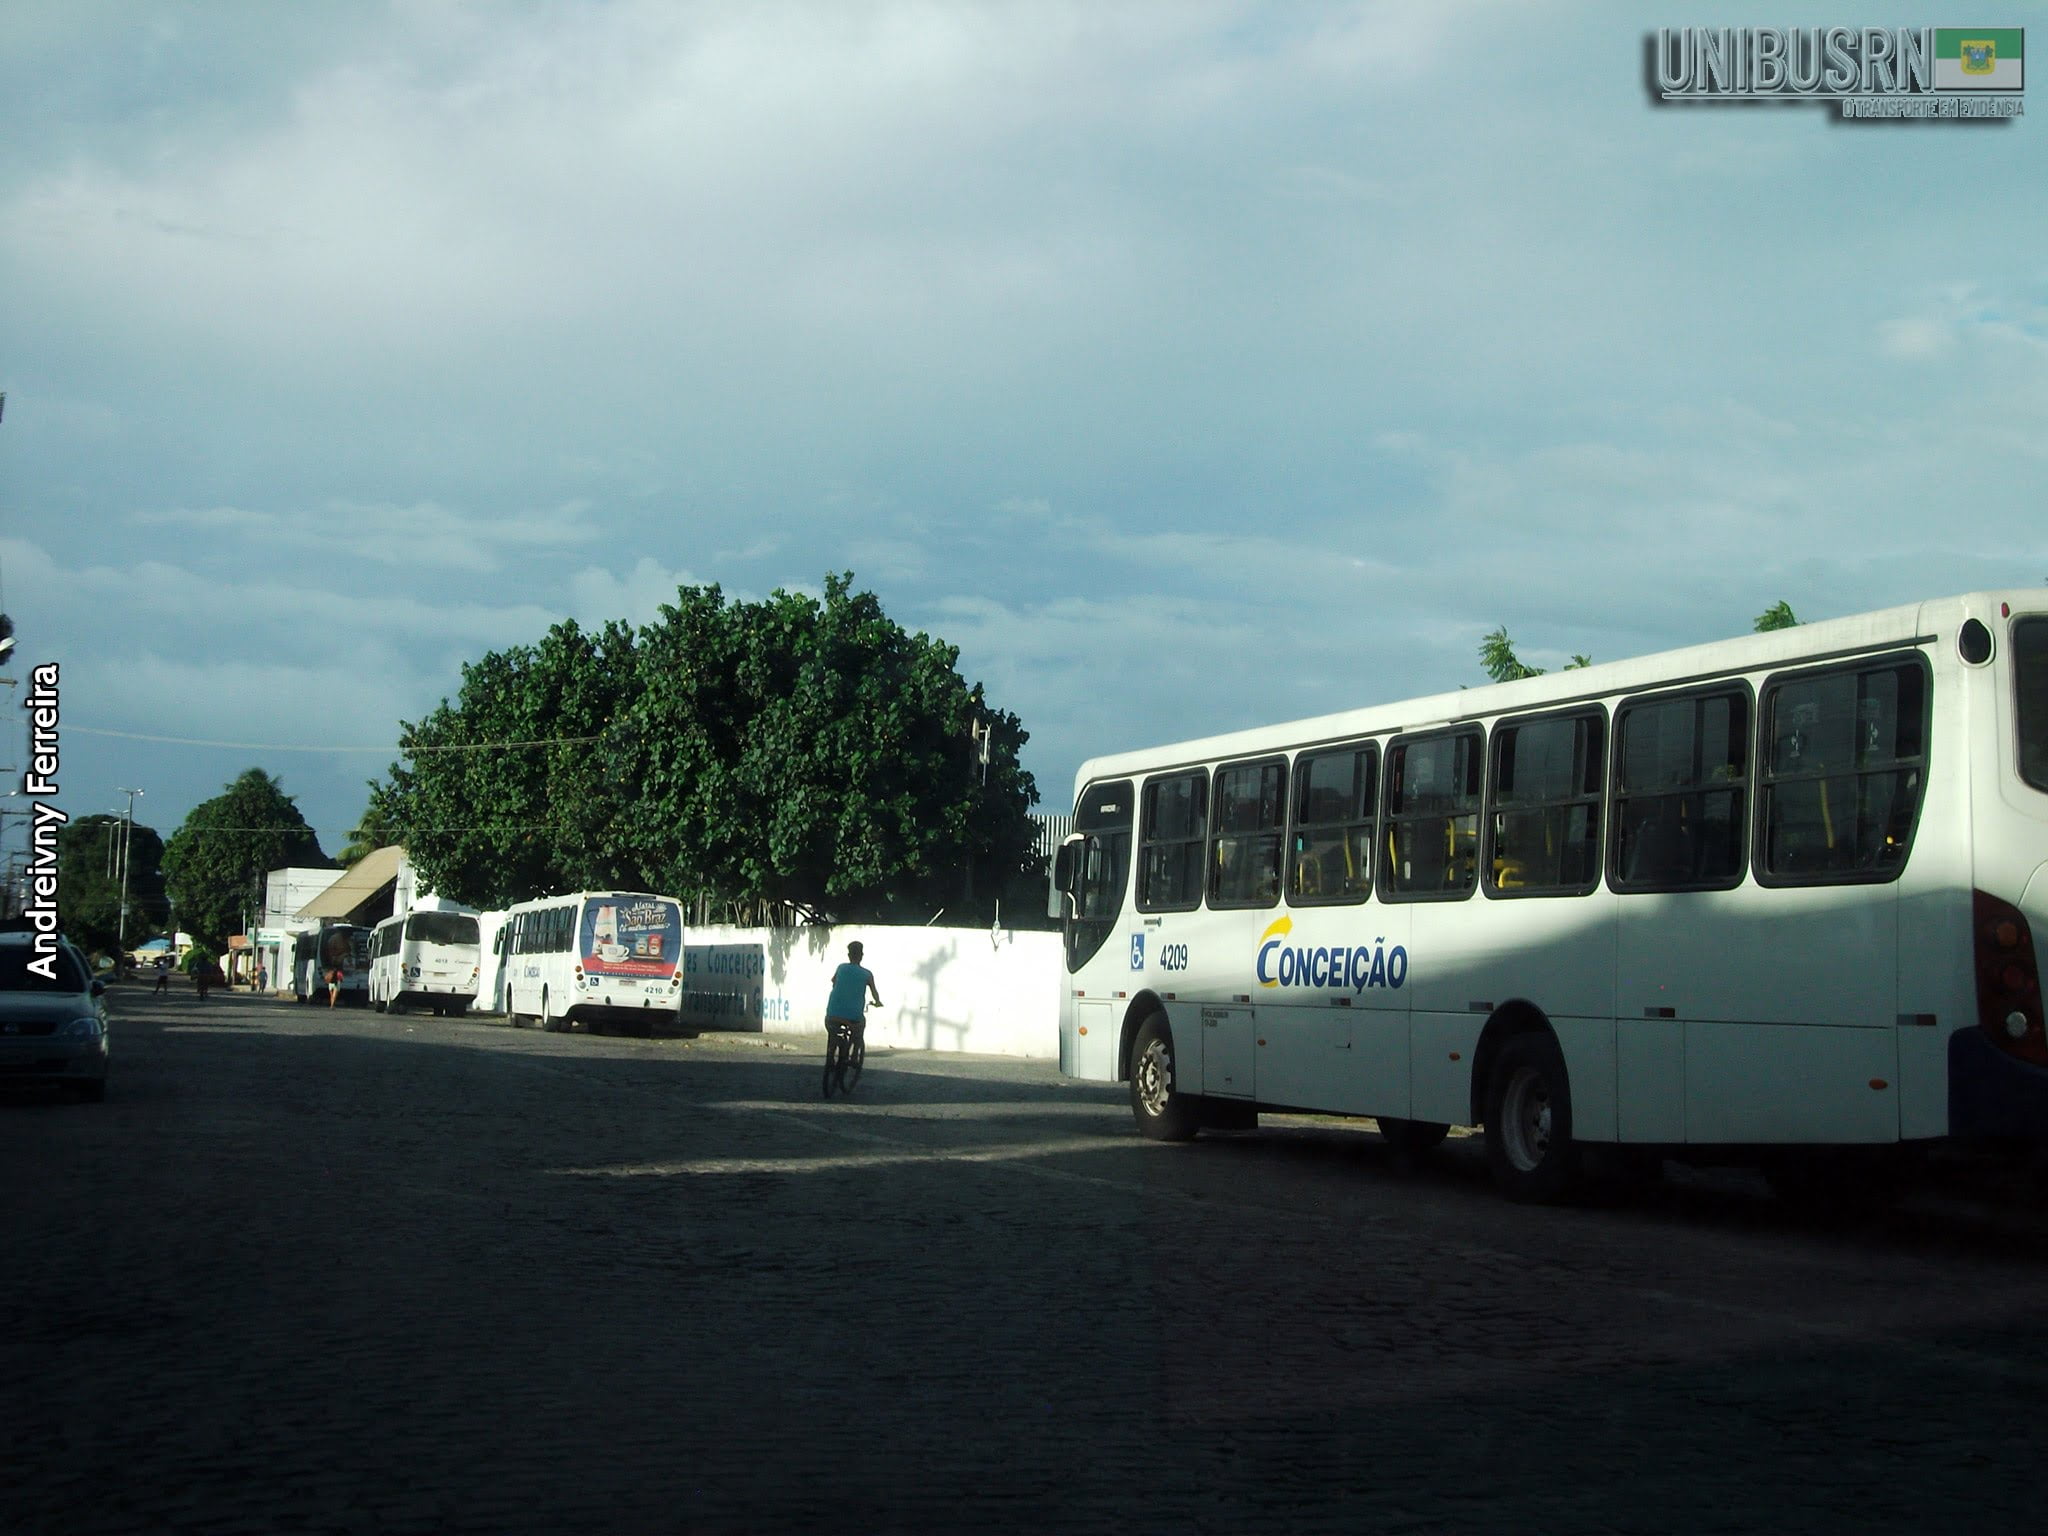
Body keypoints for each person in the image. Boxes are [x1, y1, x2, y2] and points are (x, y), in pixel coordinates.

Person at [824, 940, 882, 1056]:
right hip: (854, 1016)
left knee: (832, 1031)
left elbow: (833, 981)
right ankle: (855, 1054)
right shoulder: (867, 974)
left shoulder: (841, 968)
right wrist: (877, 1002)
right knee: (860, 1027)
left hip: (832, 1013)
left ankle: (830, 1055)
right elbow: (874, 993)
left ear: (849, 955)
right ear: (861, 956)